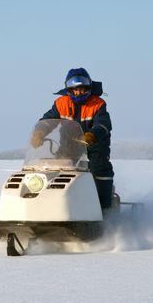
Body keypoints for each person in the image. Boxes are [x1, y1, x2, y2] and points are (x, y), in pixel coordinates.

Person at [31, 68, 115, 208]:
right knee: (55, 171)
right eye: (75, 89)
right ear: (69, 89)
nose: (79, 92)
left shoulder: (98, 104)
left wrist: (93, 134)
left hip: (94, 146)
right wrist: (40, 131)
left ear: (88, 87)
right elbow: (47, 119)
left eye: (82, 88)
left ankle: (104, 212)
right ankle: (52, 206)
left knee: (100, 170)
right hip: (68, 147)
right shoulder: (61, 103)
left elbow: (103, 124)